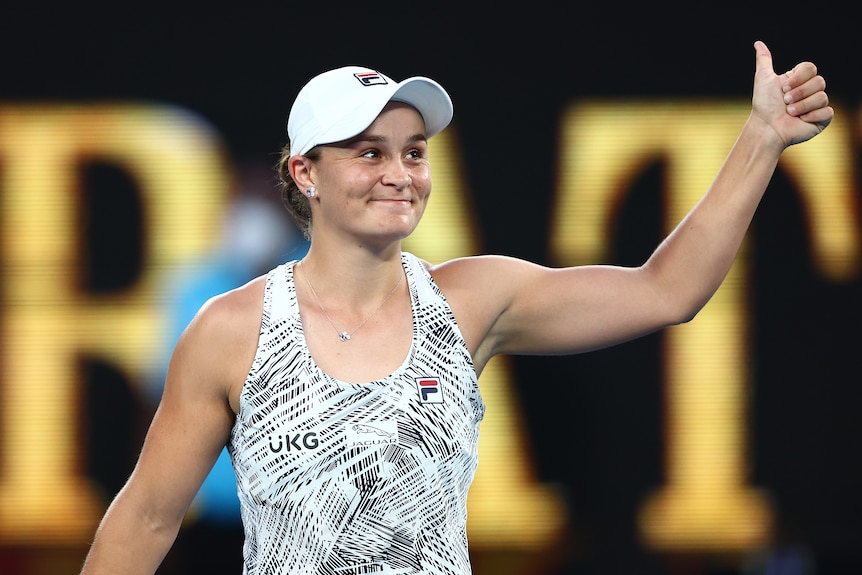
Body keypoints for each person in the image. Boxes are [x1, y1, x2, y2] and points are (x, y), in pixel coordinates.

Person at [79, 40, 833, 575]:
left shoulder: (470, 300)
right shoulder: (231, 329)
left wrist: (762, 139)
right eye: (370, 152)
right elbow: (145, 517)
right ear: (306, 173)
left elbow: (667, 290)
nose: (400, 173)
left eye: (413, 151)